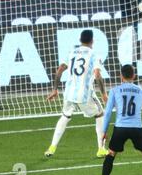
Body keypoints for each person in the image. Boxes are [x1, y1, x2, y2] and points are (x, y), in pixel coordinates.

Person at [45, 30, 108, 158]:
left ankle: (52, 147)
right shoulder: (94, 54)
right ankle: (101, 149)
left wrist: (55, 89)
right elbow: (97, 75)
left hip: (69, 93)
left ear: (80, 40)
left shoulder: (71, 52)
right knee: (100, 114)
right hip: (85, 94)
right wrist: (104, 94)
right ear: (92, 41)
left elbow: (59, 71)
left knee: (65, 116)